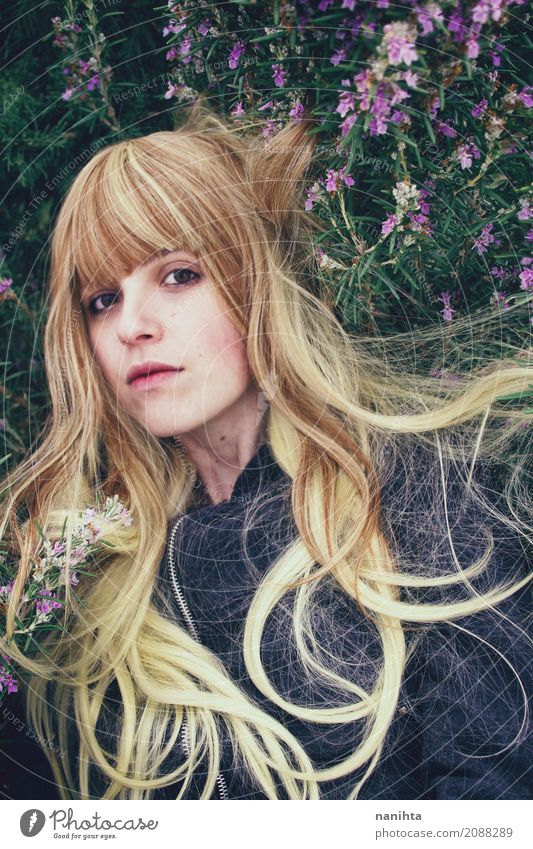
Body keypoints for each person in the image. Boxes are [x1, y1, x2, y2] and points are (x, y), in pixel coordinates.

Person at [0, 97, 531, 801]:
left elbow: (492, 797)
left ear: (256, 283)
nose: (131, 324)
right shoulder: (88, 581)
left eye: (178, 274)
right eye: (102, 298)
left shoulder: (427, 493)